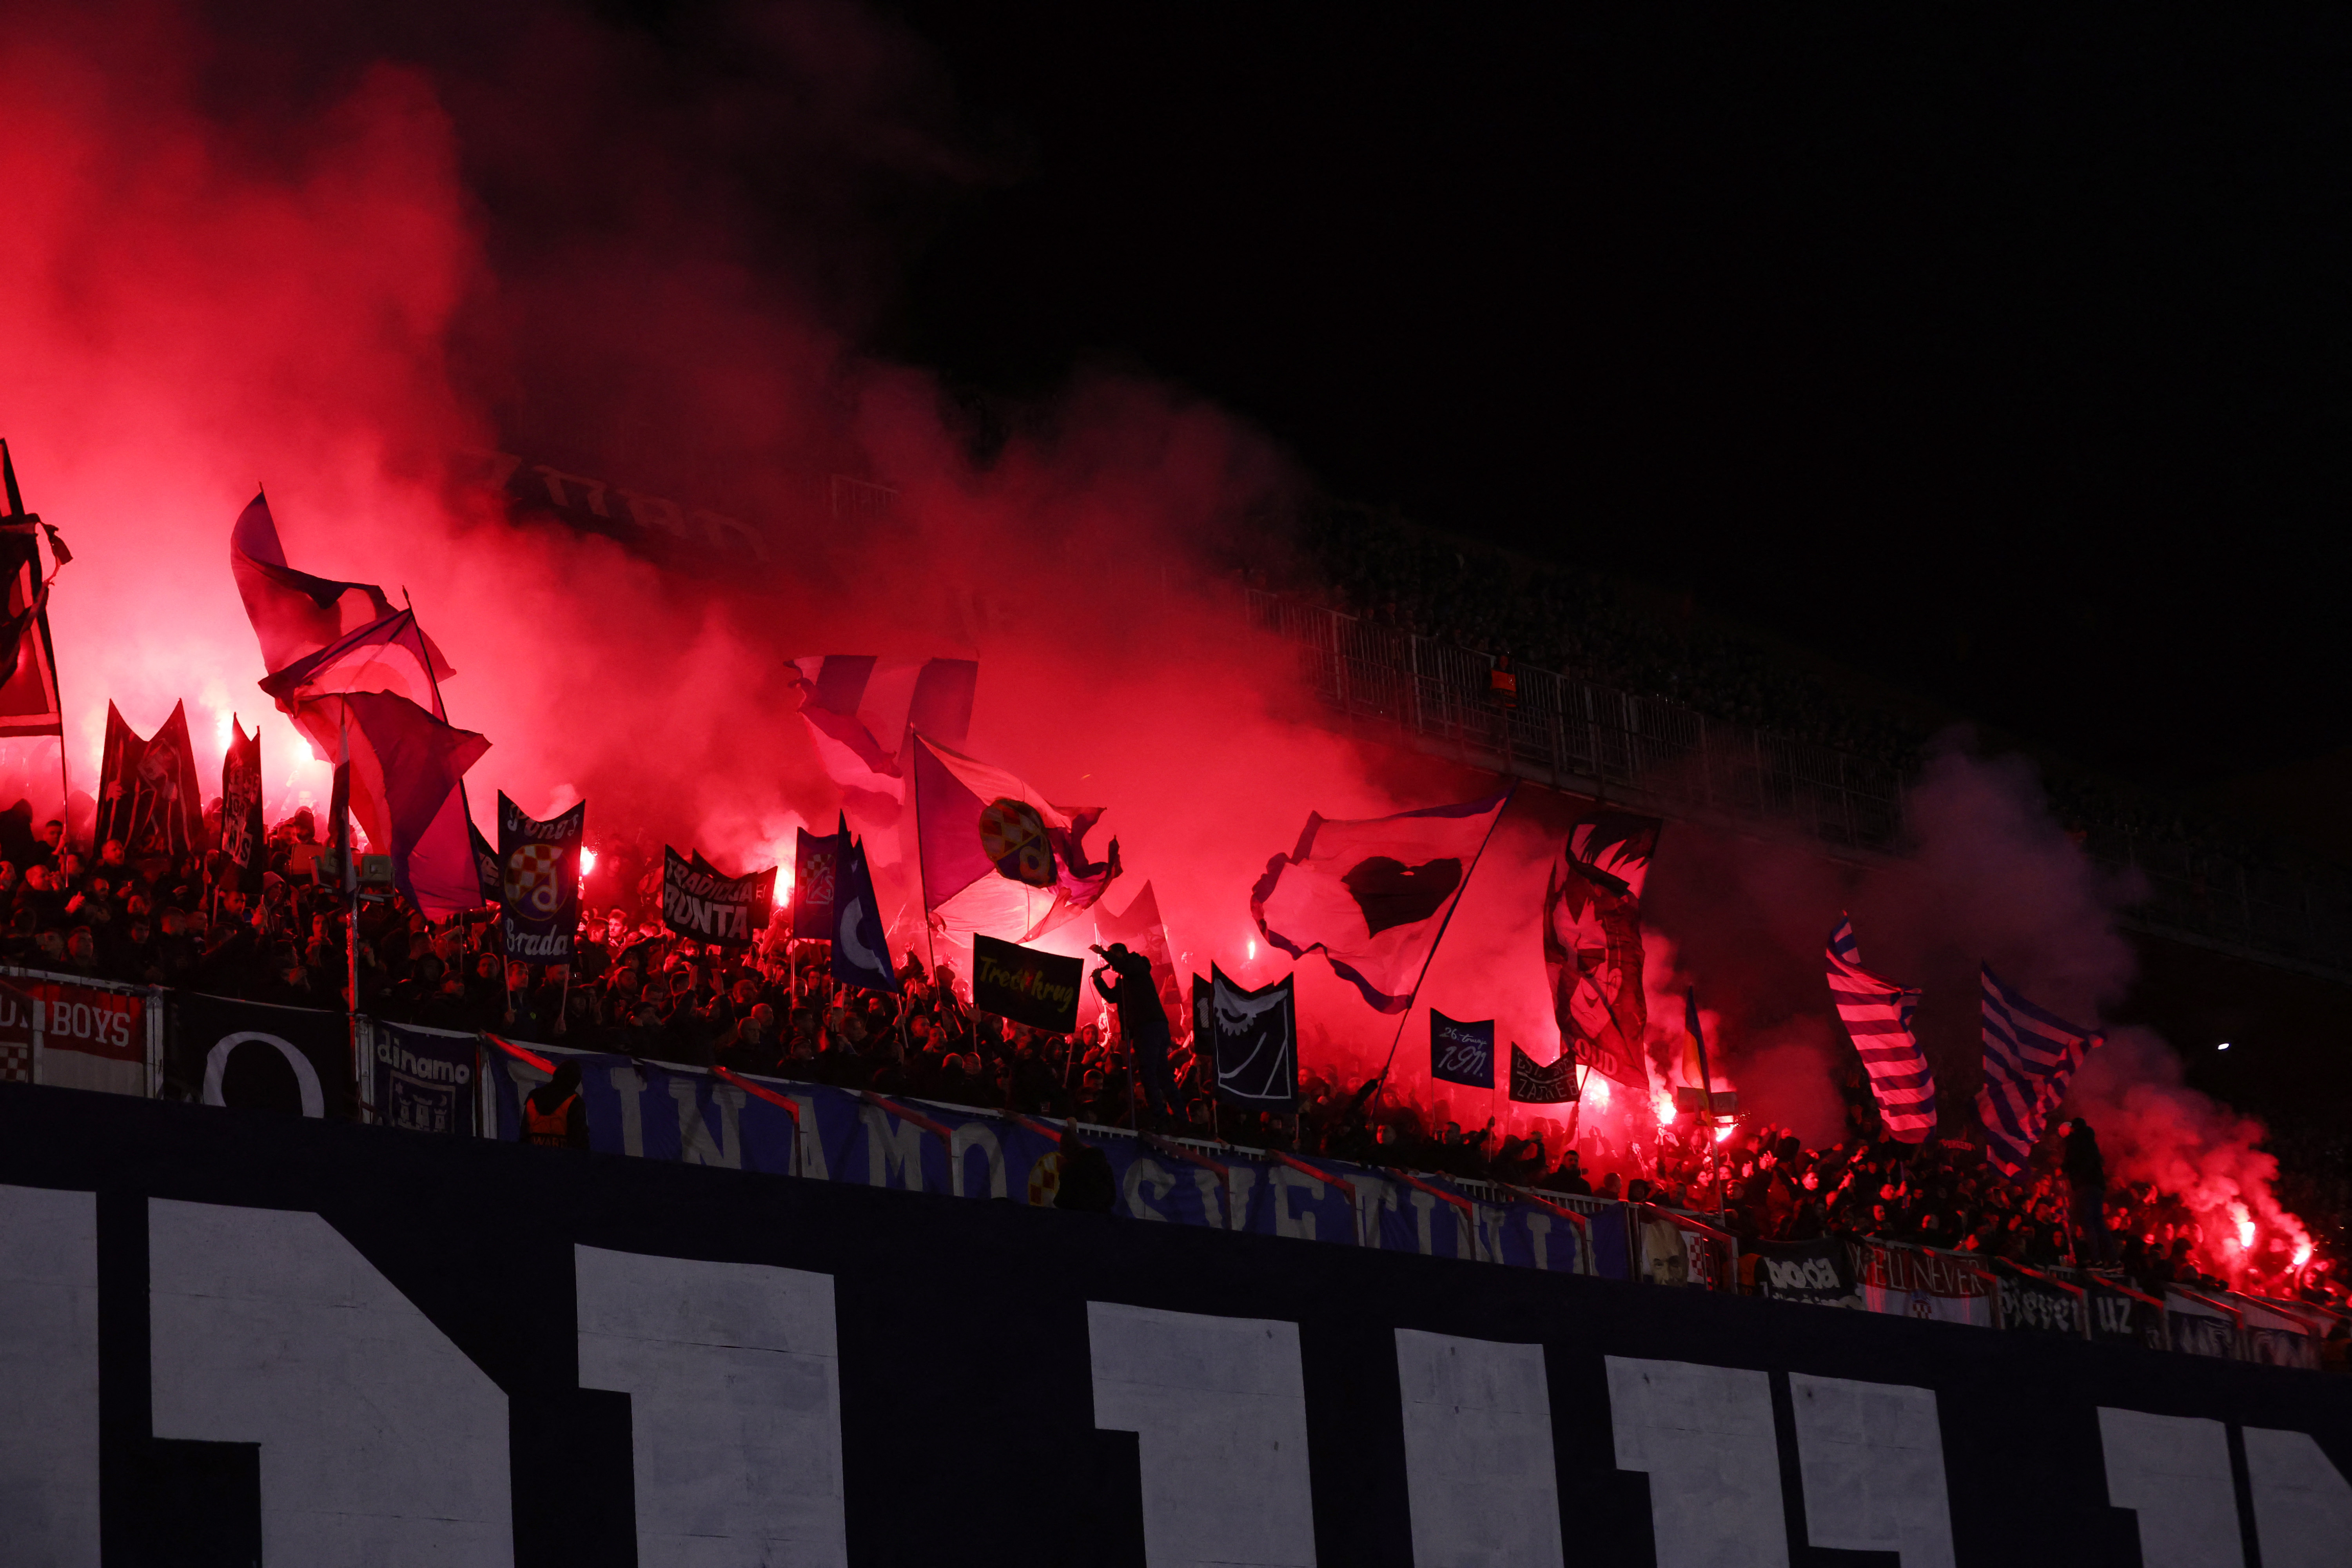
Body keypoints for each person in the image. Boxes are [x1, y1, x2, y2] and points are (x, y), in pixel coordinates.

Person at [1090, 942, 1175, 1123]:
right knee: (1157, 1073)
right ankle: (1170, 1117)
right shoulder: (1123, 979)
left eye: (1114, 958)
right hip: (1141, 1028)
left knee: (1151, 1073)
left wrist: (1104, 953)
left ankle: (1162, 1117)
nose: (1111, 966)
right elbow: (1113, 998)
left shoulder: (1137, 963)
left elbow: (1124, 966)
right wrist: (1099, 981)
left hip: (1149, 1026)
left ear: (1120, 954)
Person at [2060, 1118, 2114, 1266]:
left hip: (2083, 1185)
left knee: (2086, 1222)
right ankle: (2113, 1259)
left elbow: (2071, 1160)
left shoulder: (2075, 1141)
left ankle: (2096, 1259)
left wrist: (2062, 1170)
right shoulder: (2092, 1143)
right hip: (2098, 1186)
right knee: (2098, 1222)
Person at [521, 1060, 588, 1150]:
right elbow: (580, 1142)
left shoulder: (532, 1098)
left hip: (533, 1159)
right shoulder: (574, 1102)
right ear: (576, 1080)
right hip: (562, 1161)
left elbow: (523, 1137)